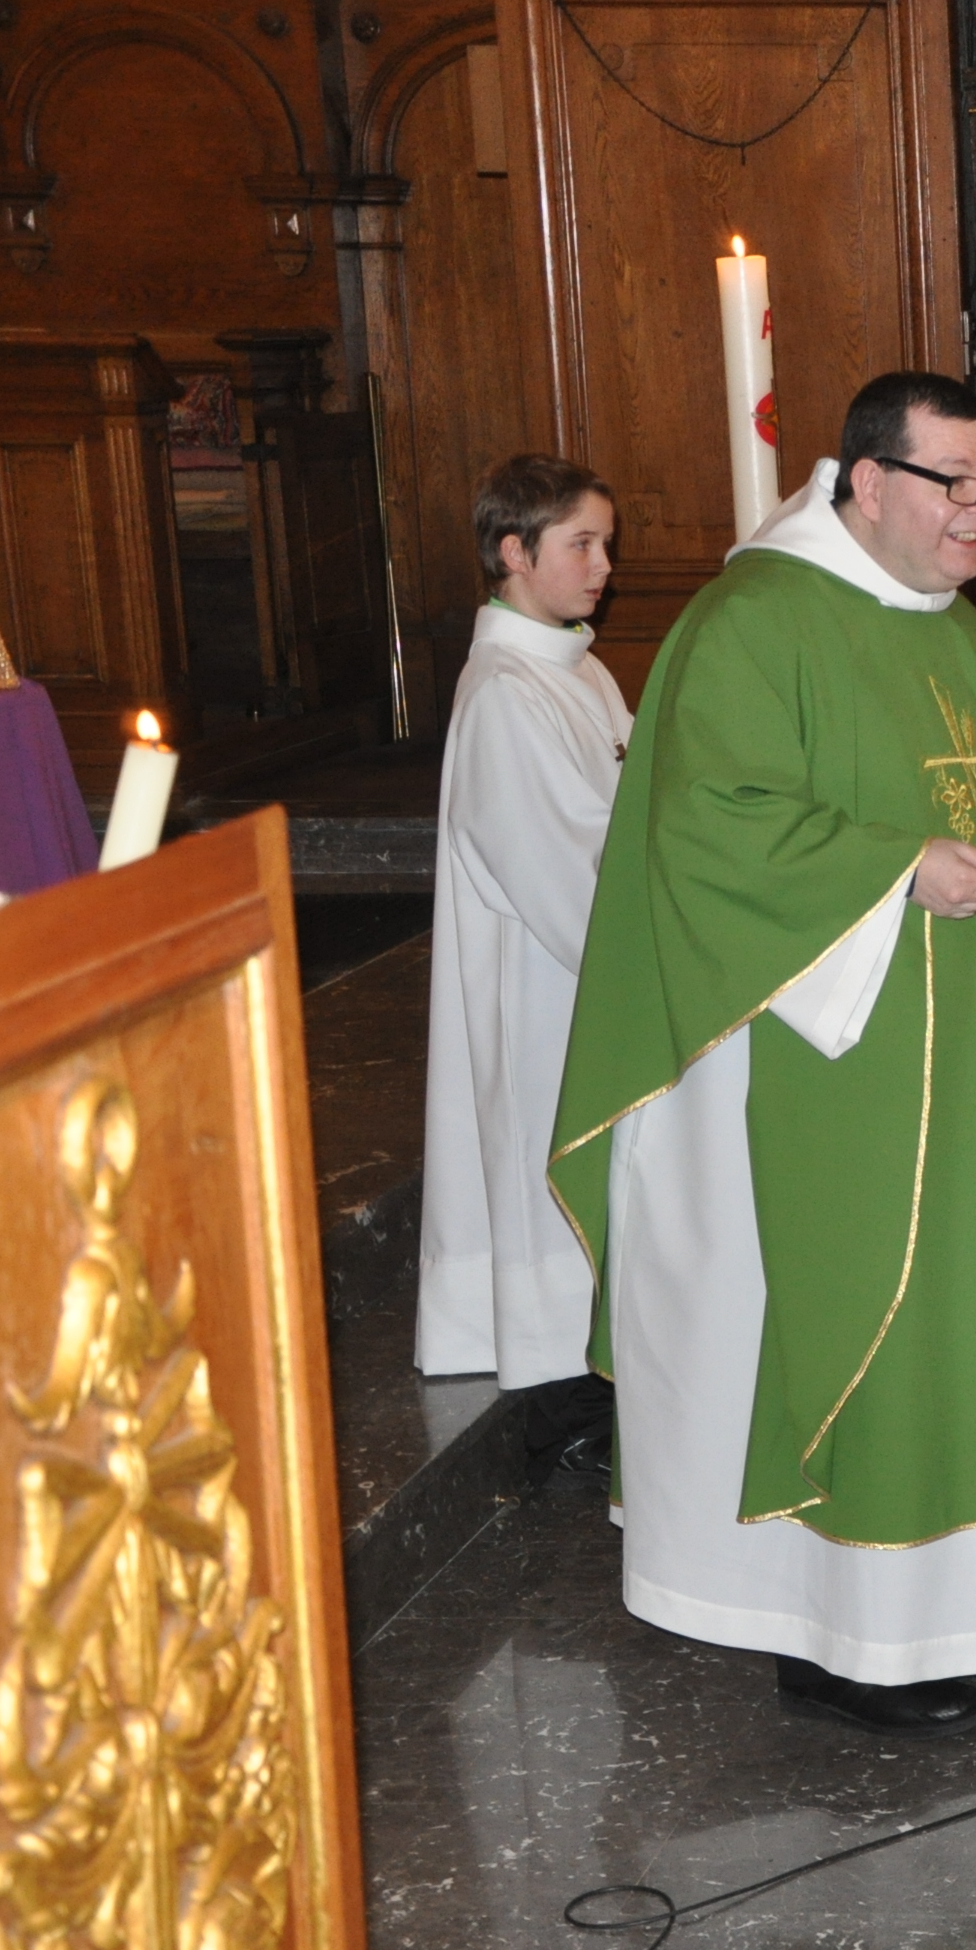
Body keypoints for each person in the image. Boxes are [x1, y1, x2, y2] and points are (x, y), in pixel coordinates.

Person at [549, 372, 976, 1740]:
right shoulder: (753, 621)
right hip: (800, 1061)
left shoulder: (959, 637)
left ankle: (931, 1616)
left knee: (949, 1317)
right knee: (833, 1322)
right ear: (867, 481)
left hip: (947, 1058)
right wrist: (894, 874)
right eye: (957, 484)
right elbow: (710, 826)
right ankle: (821, 1630)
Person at [418, 455, 631, 1482]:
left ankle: (605, 1376)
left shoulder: (578, 669)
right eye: (581, 544)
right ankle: (563, 1407)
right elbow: (560, 865)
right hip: (551, 983)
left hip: (587, 974)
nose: (604, 566)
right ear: (514, 552)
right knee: (544, 1176)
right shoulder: (506, 693)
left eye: (606, 544)